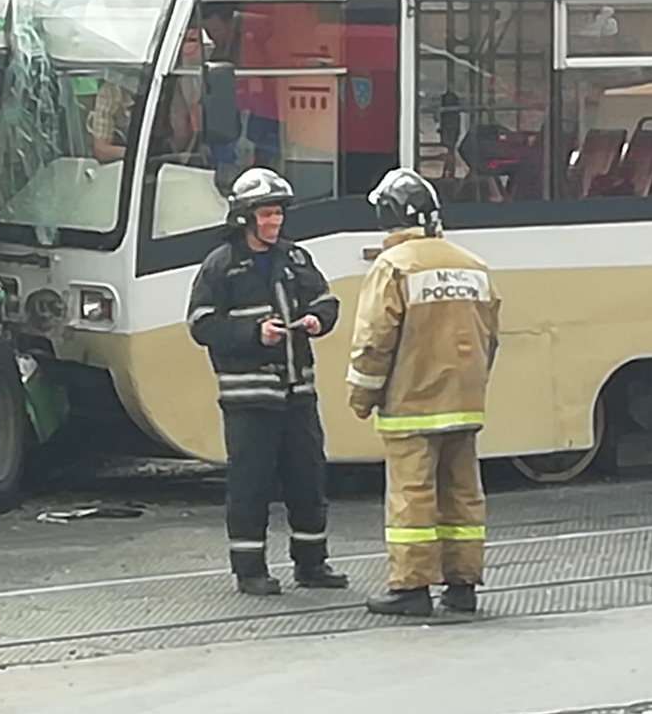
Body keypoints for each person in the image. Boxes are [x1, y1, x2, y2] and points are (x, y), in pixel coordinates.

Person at [347, 169, 500, 618]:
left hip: (412, 405)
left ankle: (412, 588)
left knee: (412, 497)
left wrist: (361, 396)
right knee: (462, 493)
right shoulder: (473, 265)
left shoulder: (393, 266)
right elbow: (490, 337)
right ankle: (462, 586)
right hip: (465, 403)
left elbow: (375, 341)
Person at [187, 166, 347, 596]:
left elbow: (326, 299)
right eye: (267, 214)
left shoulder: (296, 259)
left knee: (308, 479)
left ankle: (312, 564)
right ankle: (250, 570)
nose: (275, 221)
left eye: (278, 213)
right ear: (244, 218)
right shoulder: (221, 265)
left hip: (298, 396)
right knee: (250, 485)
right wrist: (253, 334)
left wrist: (318, 319)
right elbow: (201, 324)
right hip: (249, 400)